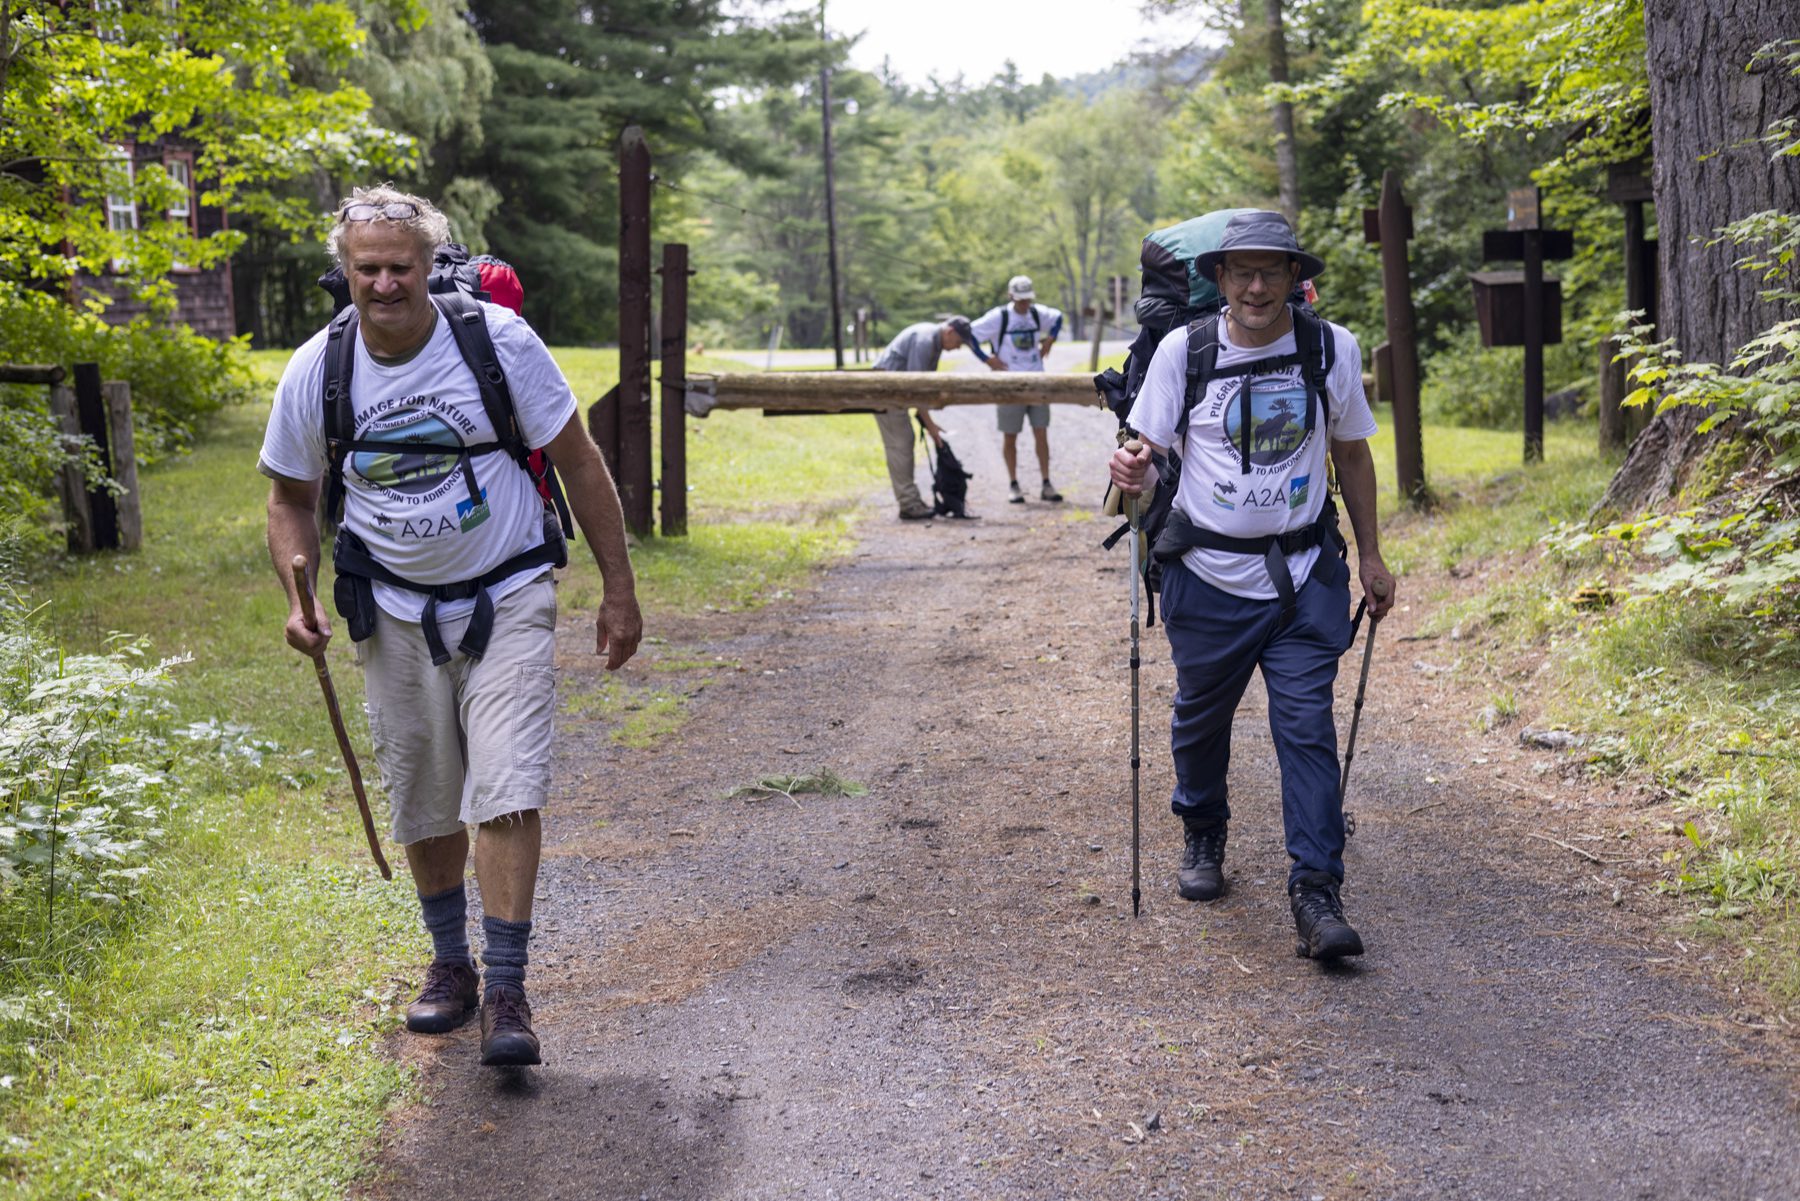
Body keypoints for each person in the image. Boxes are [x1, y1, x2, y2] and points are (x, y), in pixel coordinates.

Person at [260, 186, 643, 1065]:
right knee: (427, 793)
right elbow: (290, 496)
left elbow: (579, 461)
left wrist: (618, 589)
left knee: (505, 784)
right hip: (387, 604)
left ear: (429, 266)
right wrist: (297, 591)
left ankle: (507, 989)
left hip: (507, 590)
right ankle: (449, 966)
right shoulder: (318, 369)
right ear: (346, 271)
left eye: (401, 266)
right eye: (368, 269)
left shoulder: (498, 343)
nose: (385, 284)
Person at [1107, 210, 1394, 960]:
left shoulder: (1331, 348)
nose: (1258, 286)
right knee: (1200, 719)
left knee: (1305, 727)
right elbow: (1146, 453)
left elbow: (1354, 458)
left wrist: (1370, 556)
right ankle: (1203, 827)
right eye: (1243, 272)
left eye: (1273, 271)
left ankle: (1316, 891)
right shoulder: (1185, 350)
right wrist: (1130, 472)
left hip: (1303, 576)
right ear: (1221, 280)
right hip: (1207, 575)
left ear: (1297, 278)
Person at [872, 315, 983, 520]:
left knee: (904, 441)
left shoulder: (934, 341)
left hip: (897, 395)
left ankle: (911, 501)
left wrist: (928, 416)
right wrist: (930, 426)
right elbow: (917, 387)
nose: (958, 348)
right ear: (949, 332)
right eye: (959, 342)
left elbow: (924, 388)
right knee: (901, 444)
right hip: (885, 393)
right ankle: (909, 504)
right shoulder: (925, 340)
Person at [969, 276, 1065, 504]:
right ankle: (1013, 484)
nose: (1024, 305)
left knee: (1041, 432)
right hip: (1008, 384)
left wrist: (1050, 340)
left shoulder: (1036, 313)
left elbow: (1058, 318)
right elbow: (970, 334)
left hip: (1037, 380)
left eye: (1028, 300)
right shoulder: (998, 317)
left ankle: (1046, 482)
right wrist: (987, 359)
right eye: (1020, 300)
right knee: (1010, 434)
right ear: (1011, 297)